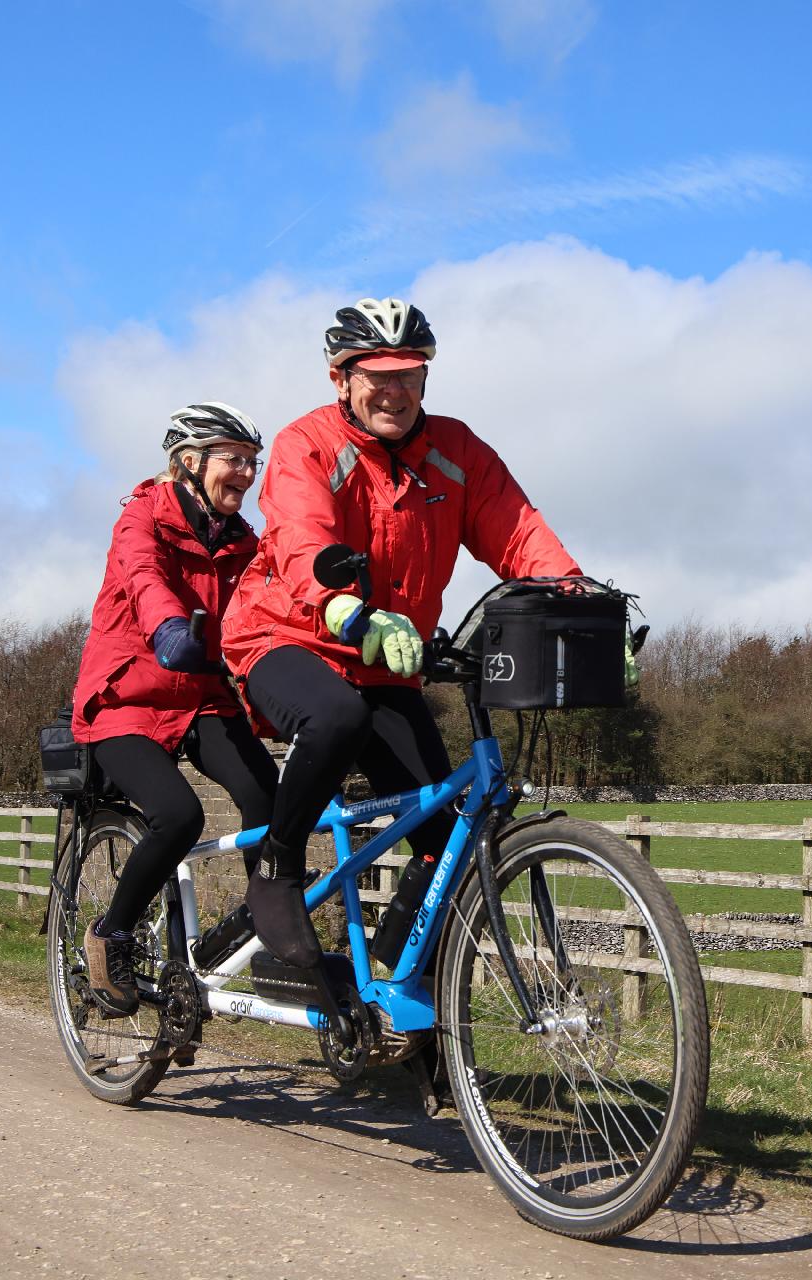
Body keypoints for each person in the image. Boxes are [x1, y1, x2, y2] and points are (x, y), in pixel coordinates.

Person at [220, 298, 585, 970]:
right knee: (335, 717)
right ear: (341, 380)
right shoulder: (309, 444)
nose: (394, 391)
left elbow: (517, 530)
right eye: (376, 376)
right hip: (288, 635)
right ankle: (278, 865)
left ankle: (397, 992)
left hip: (386, 659)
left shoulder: (456, 451)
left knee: (446, 841)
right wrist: (343, 608)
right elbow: (302, 534)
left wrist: (576, 595)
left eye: (408, 376)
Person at [69, 403, 278, 1016]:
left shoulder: (242, 540)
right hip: (127, 698)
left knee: (270, 804)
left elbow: (275, 598)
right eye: (232, 460)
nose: (245, 473)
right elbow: (143, 576)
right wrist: (165, 628)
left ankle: (257, 924)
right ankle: (111, 935)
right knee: (177, 814)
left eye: (251, 462)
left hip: (204, 697)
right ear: (189, 462)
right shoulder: (142, 518)